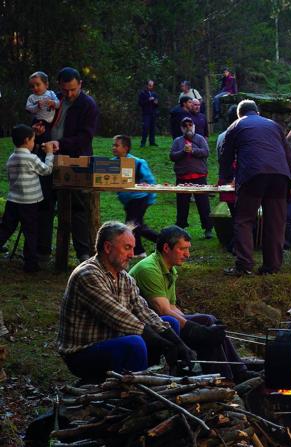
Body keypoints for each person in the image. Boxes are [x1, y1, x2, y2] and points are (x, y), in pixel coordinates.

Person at [57, 221, 195, 383]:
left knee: (169, 322)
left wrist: (177, 343)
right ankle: (137, 390)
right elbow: (118, 316)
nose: (132, 254)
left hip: (112, 341)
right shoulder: (87, 275)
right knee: (135, 342)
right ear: (108, 248)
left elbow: (144, 312)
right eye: (127, 248)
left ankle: (155, 375)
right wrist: (162, 343)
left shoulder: (124, 277)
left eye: (133, 248)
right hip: (82, 352)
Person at [129, 226, 257, 383]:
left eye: (188, 249)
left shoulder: (168, 268)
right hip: (151, 328)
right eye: (182, 249)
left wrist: (201, 328)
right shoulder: (149, 269)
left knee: (208, 322)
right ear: (166, 248)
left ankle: (235, 372)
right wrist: (195, 329)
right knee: (204, 328)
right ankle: (226, 377)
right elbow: (162, 310)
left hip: (163, 320)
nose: (187, 255)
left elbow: (172, 306)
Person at [220, 100, 291, 276]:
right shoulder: (274, 125)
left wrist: (228, 178)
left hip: (253, 175)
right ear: (257, 112)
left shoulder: (236, 126)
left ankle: (244, 265)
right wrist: (288, 177)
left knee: (244, 219)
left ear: (239, 114)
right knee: (275, 222)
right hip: (280, 177)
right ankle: (272, 267)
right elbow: (288, 154)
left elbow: (225, 155)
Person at [41, 67, 99, 262]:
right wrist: (40, 129)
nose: (69, 94)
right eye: (66, 90)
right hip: (49, 156)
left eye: (73, 89)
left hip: (76, 159)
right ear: (60, 86)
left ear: (80, 84)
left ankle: (83, 252)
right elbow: (43, 119)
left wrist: (61, 143)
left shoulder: (88, 105)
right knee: (46, 201)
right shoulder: (53, 99)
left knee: (78, 206)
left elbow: (85, 137)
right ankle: (42, 250)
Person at [0, 125, 55, 272]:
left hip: (13, 201)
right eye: (33, 140)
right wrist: (49, 154)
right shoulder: (31, 158)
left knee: (6, 228)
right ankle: (31, 264)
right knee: (30, 233)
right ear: (26, 140)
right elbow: (47, 170)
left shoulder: (12, 158)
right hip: (29, 203)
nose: (34, 143)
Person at [112, 135, 159, 257]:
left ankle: (157, 243)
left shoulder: (137, 163)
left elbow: (150, 181)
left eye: (117, 145)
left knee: (132, 225)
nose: (113, 148)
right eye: (113, 145)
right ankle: (143, 249)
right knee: (137, 225)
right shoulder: (112, 163)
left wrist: (150, 198)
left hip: (139, 198)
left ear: (126, 148)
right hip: (128, 201)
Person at [170, 117, 213, 239]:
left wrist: (193, 150)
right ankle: (180, 228)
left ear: (193, 126)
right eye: (185, 125)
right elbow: (172, 156)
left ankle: (208, 228)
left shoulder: (200, 139)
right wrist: (183, 152)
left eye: (190, 124)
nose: (188, 127)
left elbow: (206, 152)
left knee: (203, 204)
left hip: (199, 176)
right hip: (182, 177)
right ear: (182, 128)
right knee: (182, 204)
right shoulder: (177, 141)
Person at [137, 80, 159, 147]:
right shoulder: (142, 93)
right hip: (146, 113)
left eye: (152, 85)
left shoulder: (154, 93)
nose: (151, 87)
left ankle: (152, 142)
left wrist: (156, 103)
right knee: (146, 127)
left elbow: (157, 104)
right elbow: (140, 103)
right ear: (147, 85)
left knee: (152, 128)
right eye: (150, 85)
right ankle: (143, 142)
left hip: (153, 113)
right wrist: (148, 100)